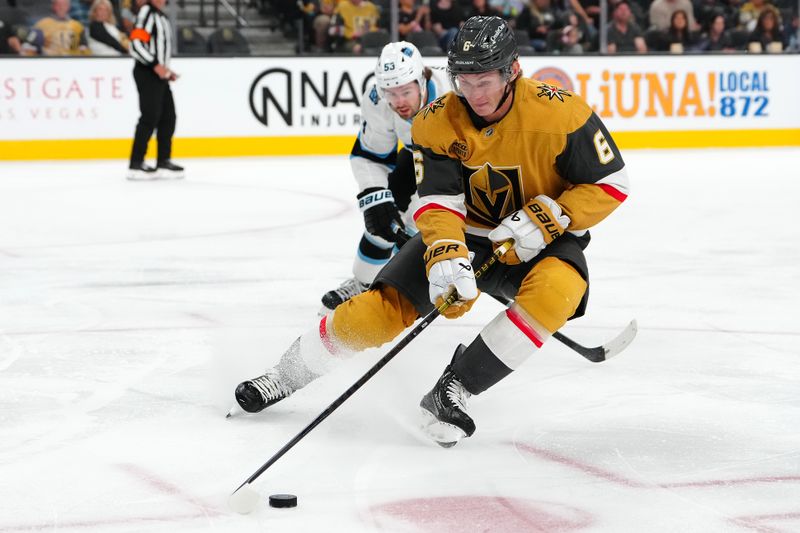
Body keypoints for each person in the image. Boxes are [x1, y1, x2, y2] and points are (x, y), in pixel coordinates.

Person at [233, 16, 630, 448]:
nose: (474, 94)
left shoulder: (564, 112)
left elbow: (611, 183)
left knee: (558, 291)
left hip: (542, 238)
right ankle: (286, 373)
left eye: (485, 81)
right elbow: (439, 199)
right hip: (467, 231)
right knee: (378, 311)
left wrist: (554, 215)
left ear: (512, 70)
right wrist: (445, 253)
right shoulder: (435, 120)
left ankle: (455, 388)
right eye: (464, 81)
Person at [320, 41, 444, 312]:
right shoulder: (377, 100)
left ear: (421, 80)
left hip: (461, 163)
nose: (398, 101)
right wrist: (374, 197)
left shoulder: (453, 92)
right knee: (383, 219)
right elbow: (371, 155)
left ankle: (402, 285)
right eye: (391, 92)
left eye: (405, 91)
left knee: (421, 224)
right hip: (415, 156)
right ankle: (362, 283)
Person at [127, 0, 184, 180]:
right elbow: (136, 44)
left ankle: (163, 160)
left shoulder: (160, 15)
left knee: (168, 117)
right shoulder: (146, 12)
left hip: (159, 74)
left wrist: (165, 70)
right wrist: (156, 65)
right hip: (147, 71)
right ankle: (136, 164)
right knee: (149, 117)